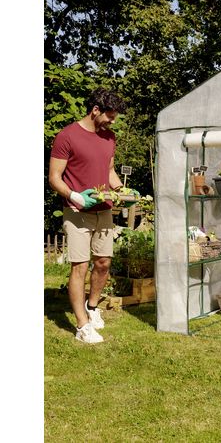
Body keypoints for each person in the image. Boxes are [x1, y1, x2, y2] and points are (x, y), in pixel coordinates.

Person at [49, 87, 136, 343]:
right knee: (80, 266)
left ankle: (92, 307)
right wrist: (75, 196)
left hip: (104, 210)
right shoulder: (67, 136)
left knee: (104, 263)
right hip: (77, 211)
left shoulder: (109, 137)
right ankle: (82, 326)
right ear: (95, 110)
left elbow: (109, 172)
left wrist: (122, 191)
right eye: (110, 116)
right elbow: (54, 177)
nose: (112, 121)